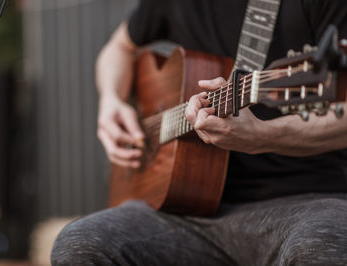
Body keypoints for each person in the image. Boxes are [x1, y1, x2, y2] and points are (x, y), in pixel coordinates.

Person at [51, 0, 347, 265]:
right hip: (185, 209)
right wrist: (111, 101)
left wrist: (265, 135)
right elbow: (118, 48)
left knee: (322, 242)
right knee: (81, 243)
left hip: (305, 201)